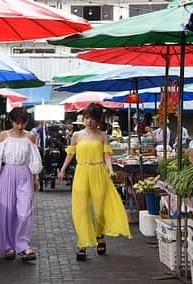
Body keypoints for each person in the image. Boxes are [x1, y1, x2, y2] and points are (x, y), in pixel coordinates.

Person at [57, 103, 131, 262]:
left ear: (99, 120)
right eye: (87, 118)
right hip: (81, 172)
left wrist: (110, 170)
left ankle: (100, 235)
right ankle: (82, 244)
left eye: (93, 118)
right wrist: (62, 170)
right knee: (81, 209)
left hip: (99, 172)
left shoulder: (103, 135)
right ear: (83, 118)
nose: (89, 121)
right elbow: (70, 155)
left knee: (99, 210)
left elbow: (107, 156)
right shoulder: (76, 135)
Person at [0, 107, 42, 261]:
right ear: (11, 121)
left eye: (23, 123)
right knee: (8, 210)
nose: (20, 126)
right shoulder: (4, 136)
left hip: (25, 173)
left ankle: (23, 246)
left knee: (25, 211)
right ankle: (8, 246)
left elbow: (34, 159)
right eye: (17, 122)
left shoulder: (30, 137)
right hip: (7, 173)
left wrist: (35, 177)